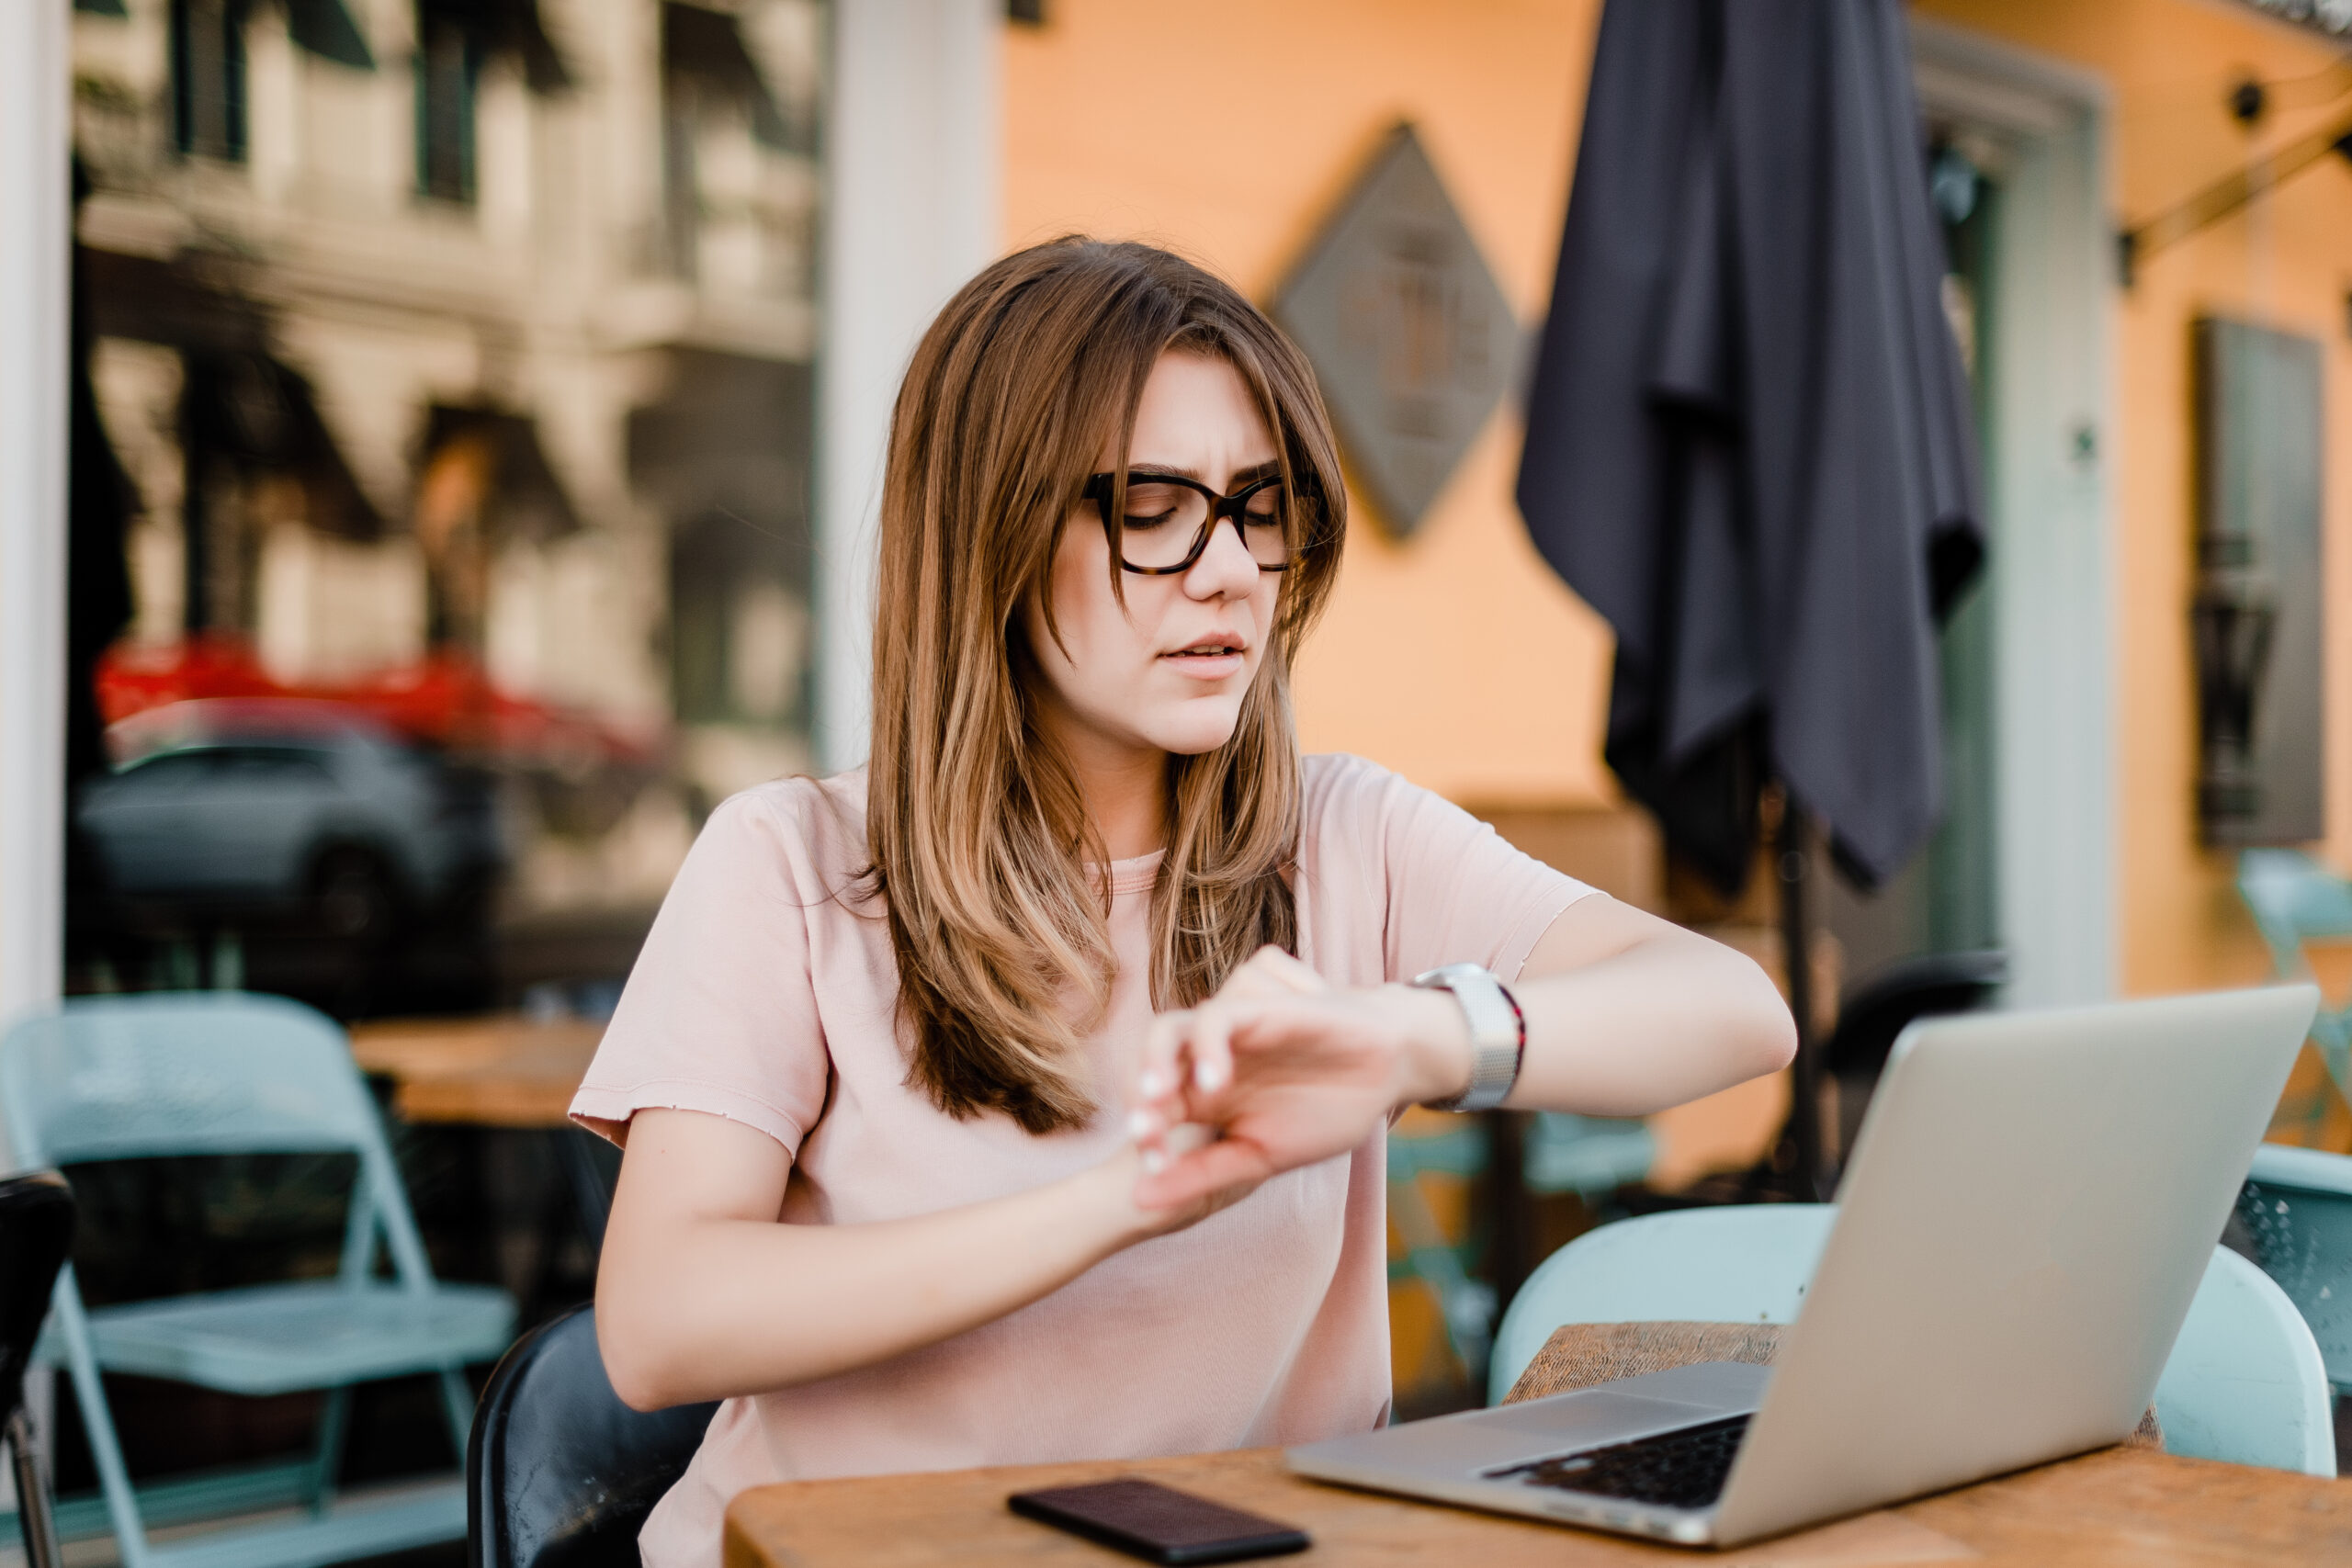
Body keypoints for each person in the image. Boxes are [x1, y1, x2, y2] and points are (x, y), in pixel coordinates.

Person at [576, 237, 1795, 1566]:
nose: (1228, 572)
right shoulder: (791, 863)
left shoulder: (1339, 837)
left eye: (1259, 507)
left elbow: (1734, 1011)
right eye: (1152, 507)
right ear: (994, 525)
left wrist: (1417, 1038)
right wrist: (1128, 1199)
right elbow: (658, 1322)